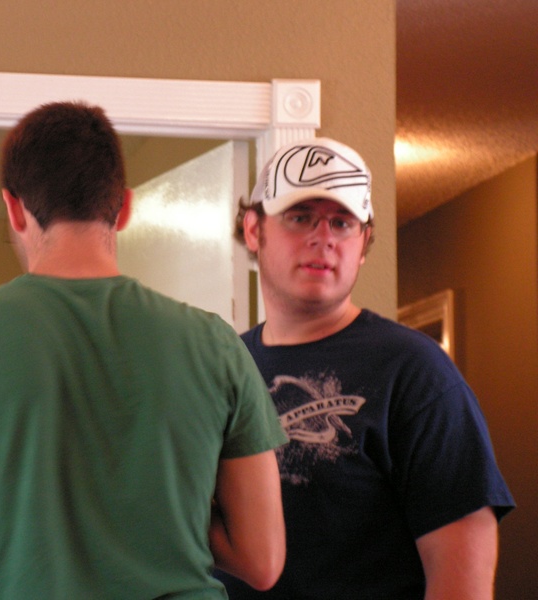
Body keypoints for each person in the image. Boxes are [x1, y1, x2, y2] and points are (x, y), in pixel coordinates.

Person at [0, 101, 288, 600]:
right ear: (124, 209)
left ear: (14, 208)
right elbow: (262, 560)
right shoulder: (216, 343)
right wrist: (167, 509)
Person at [216, 137, 515, 599]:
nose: (323, 237)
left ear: (363, 242)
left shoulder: (416, 372)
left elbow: (463, 582)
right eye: (300, 217)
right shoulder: (222, 367)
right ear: (254, 230)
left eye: (342, 222)